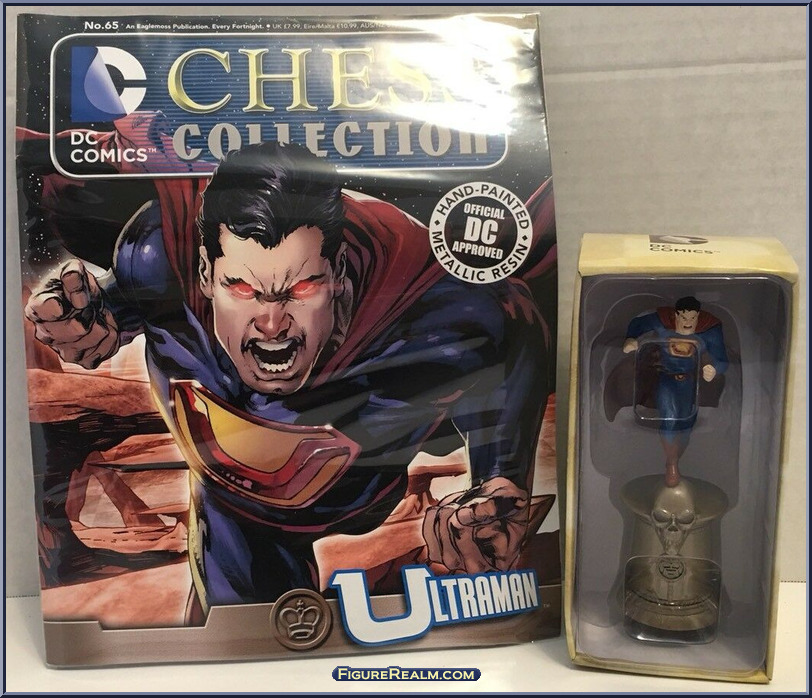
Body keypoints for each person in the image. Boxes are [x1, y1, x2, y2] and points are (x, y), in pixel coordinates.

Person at [24, 141, 554, 616]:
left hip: (359, 487)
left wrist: (498, 482)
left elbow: (513, 338)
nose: (272, 324)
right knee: (241, 644)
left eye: (300, 290)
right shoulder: (155, 256)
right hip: (235, 520)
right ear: (206, 274)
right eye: (243, 289)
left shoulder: (441, 307)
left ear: (337, 275)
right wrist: (99, 318)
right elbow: (127, 298)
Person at [623, 296, 728, 487]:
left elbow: (721, 359)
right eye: (683, 317)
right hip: (667, 380)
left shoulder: (709, 329)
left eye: (692, 318)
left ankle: (675, 457)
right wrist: (631, 339)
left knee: (686, 423)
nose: (688, 323)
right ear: (676, 315)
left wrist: (714, 369)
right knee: (669, 418)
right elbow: (637, 324)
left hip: (689, 383)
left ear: (698, 316)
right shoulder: (663, 321)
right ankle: (672, 463)